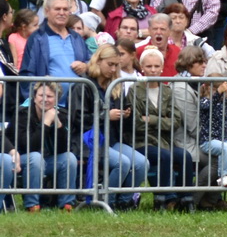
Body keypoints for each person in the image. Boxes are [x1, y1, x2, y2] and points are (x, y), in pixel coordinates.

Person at [130, 45, 198, 210]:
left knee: (184, 156)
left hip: (165, 141)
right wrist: (162, 120)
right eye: (149, 66)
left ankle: (186, 197)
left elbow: (175, 121)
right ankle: (165, 198)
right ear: (142, 68)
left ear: (162, 68)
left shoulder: (167, 91)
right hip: (142, 142)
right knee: (164, 156)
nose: (153, 70)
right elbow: (137, 123)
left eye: (156, 66)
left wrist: (151, 119)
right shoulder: (134, 90)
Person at [81, 44, 148, 206]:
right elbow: (79, 119)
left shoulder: (116, 85)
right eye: (110, 64)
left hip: (112, 140)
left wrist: (126, 114)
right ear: (98, 61)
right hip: (89, 141)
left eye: (116, 65)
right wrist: (105, 116)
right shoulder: (84, 84)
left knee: (142, 163)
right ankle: (106, 201)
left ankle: (124, 202)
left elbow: (122, 121)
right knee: (122, 163)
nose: (113, 69)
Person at [16, 80, 84, 210]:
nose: (45, 99)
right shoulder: (23, 113)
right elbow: (29, 146)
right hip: (22, 161)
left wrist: (58, 124)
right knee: (35, 157)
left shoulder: (61, 114)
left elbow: (64, 148)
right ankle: (32, 205)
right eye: (41, 95)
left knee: (69, 158)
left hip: (47, 161)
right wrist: (46, 123)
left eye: (50, 96)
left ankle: (66, 205)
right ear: (34, 97)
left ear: (57, 99)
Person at [20, 0, 90, 82]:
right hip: (47, 91)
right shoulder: (37, 38)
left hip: (78, 91)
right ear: (46, 11)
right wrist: (39, 89)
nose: (61, 13)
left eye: (65, 9)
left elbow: (91, 62)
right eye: (57, 9)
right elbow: (27, 73)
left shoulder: (76, 38)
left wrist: (85, 66)